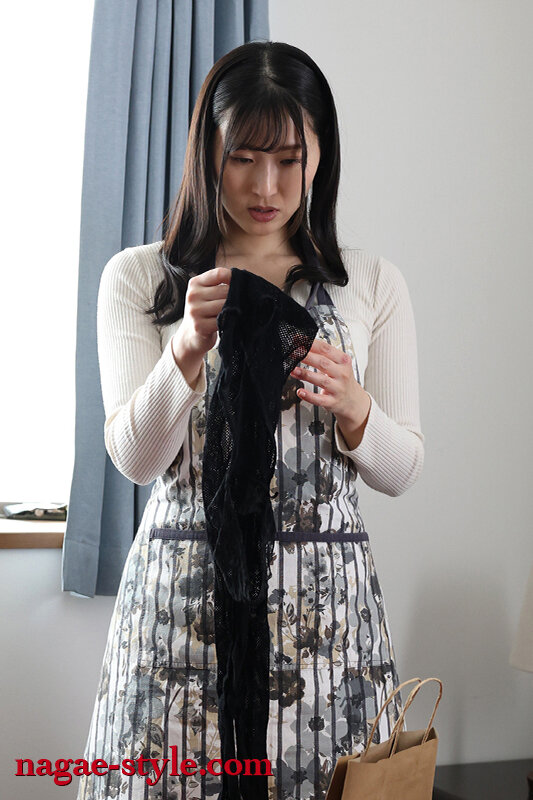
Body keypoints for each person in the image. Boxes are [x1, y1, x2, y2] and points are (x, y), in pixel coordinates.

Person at [77, 40, 424, 800]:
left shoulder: (368, 282)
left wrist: (355, 406)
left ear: (321, 156)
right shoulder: (142, 277)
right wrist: (186, 350)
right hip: (183, 611)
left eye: (289, 160)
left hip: (327, 624)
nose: (266, 186)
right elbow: (136, 459)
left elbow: (402, 470)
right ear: (208, 152)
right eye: (243, 157)